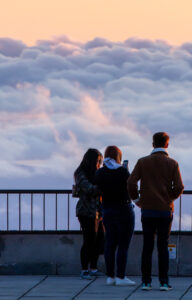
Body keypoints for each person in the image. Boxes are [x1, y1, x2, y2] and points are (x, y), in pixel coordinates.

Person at [127, 132, 184, 291]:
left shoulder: (143, 162)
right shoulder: (173, 163)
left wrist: (137, 200)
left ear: (153, 144)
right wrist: (169, 198)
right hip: (165, 211)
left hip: (148, 211)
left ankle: (146, 281)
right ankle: (164, 282)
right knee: (163, 246)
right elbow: (179, 187)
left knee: (147, 246)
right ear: (167, 144)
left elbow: (131, 182)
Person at [95, 146, 135, 286]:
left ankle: (110, 276)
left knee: (110, 244)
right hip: (123, 209)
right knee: (123, 245)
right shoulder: (123, 172)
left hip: (107, 210)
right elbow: (130, 188)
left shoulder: (100, 173)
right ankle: (121, 277)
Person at [74, 148, 104, 280]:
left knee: (98, 240)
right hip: (86, 212)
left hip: (97, 211)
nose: (99, 164)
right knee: (89, 240)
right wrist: (105, 185)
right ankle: (84, 269)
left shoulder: (95, 173)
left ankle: (93, 268)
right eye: (98, 161)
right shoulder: (80, 173)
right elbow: (90, 189)